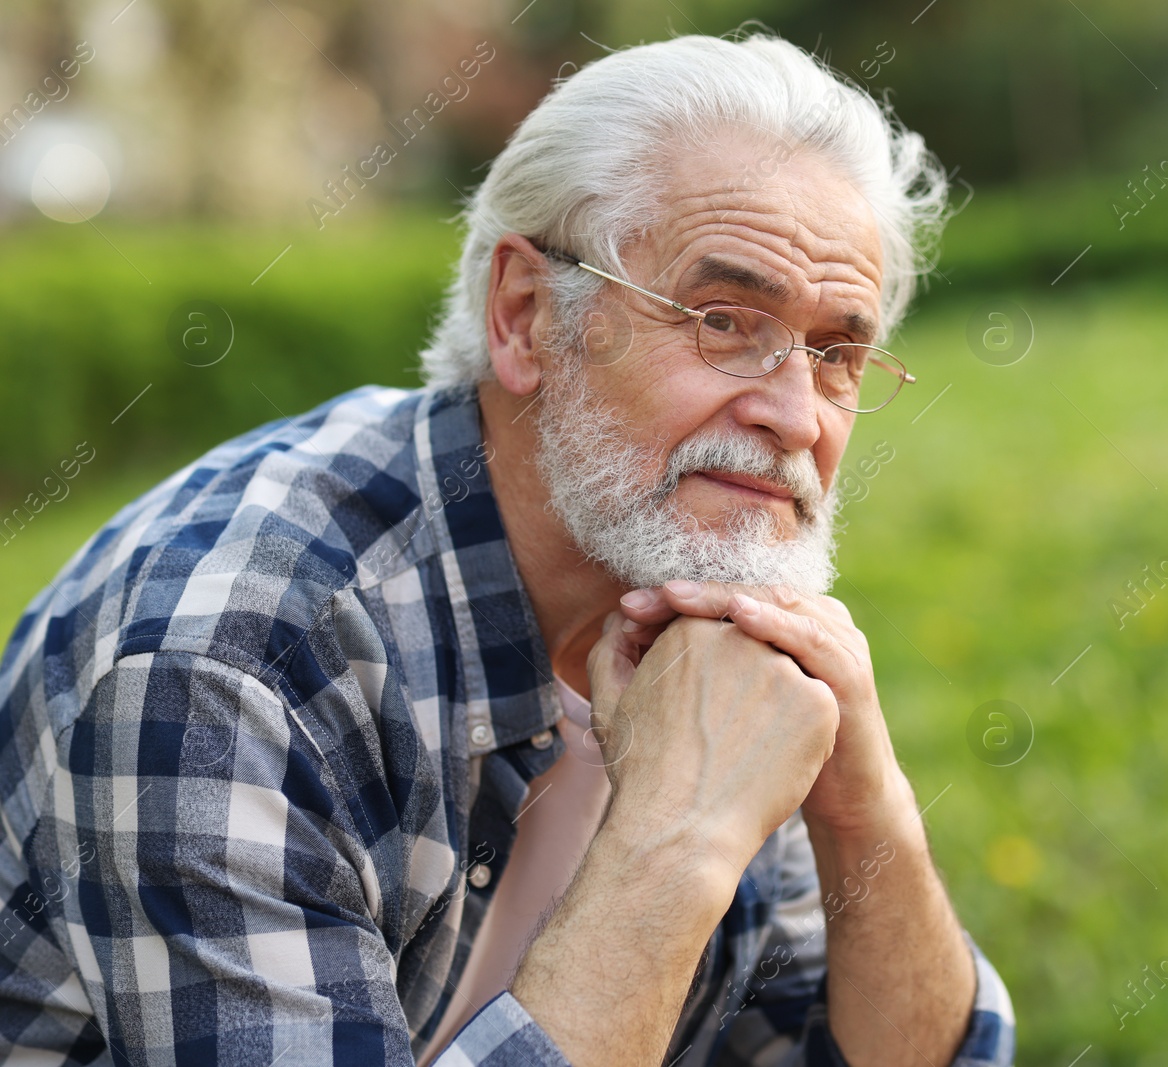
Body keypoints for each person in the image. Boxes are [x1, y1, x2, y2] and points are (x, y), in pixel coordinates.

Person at [0, 31, 1015, 1067]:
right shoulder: (227, 665)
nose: (797, 415)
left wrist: (865, 810)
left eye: (836, 352)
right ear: (525, 317)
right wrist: (675, 845)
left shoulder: (709, 618)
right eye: (721, 319)